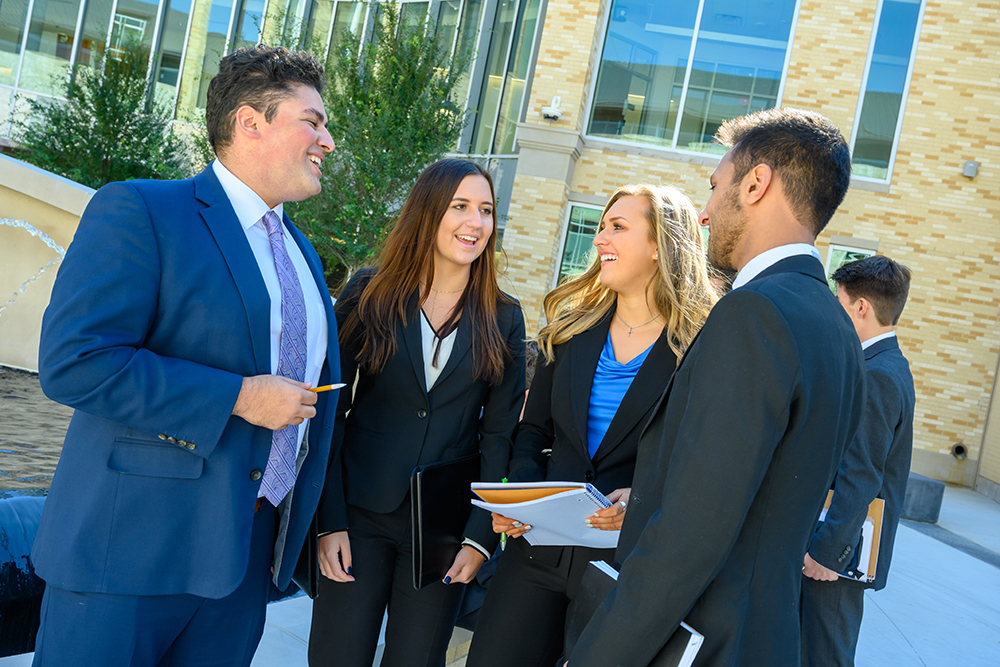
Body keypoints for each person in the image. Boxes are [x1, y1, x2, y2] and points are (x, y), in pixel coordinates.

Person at [30, 45, 339, 667]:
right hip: (129, 554)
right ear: (251, 122)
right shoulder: (142, 209)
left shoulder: (303, 252)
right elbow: (76, 361)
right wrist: (241, 397)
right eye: (313, 120)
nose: (327, 140)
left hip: (246, 563)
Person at [566, 108, 868, 667]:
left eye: (714, 186)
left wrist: (596, 655)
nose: (703, 214)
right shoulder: (836, 327)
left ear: (756, 184)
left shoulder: (754, 313)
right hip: (767, 635)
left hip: (703, 641)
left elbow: (691, 535)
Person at [466, 184, 718, 667]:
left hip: (625, 569)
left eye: (618, 227)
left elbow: (700, 463)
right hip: (536, 555)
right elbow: (533, 432)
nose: (601, 237)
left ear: (659, 245)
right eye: (602, 226)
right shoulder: (572, 329)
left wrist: (639, 499)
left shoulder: (701, 349)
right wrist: (519, 498)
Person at [308, 158, 526, 667]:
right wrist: (328, 522)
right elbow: (329, 413)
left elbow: (498, 437)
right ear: (428, 212)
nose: (476, 223)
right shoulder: (370, 293)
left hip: (444, 533)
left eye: (487, 210)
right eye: (460, 207)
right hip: (358, 517)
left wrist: (479, 536)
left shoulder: (505, 316)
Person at [801, 255, 916, 667]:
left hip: (839, 553)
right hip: (840, 545)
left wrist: (828, 553)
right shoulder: (884, 365)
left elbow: (862, 473)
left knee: (824, 655)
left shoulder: (878, 374)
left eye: (840, 301)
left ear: (861, 307)